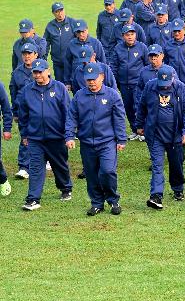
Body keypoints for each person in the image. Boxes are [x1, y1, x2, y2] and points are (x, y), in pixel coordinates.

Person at [65, 62, 127, 216]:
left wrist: (121, 139)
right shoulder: (79, 95)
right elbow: (71, 117)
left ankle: (113, 200)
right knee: (91, 174)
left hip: (107, 143)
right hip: (87, 143)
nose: (91, 82)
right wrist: (69, 136)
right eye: (88, 79)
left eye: (94, 78)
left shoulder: (112, 95)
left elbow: (119, 119)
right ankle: (97, 203)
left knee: (107, 171)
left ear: (102, 77)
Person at [136, 65, 185, 209]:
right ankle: (156, 195)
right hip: (155, 134)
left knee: (176, 163)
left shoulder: (181, 89)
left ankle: (178, 189)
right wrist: (139, 125)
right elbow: (142, 106)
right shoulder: (150, 87)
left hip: (176, 135)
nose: (164, 87)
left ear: (173, 79)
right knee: (157, 165)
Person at [17, 59, 71, 210]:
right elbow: (23, 115)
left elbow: (68, 113)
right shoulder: (27, 91)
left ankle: (65, 188)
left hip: (57, 137)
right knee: (35, 168)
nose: (37, 74)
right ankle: (33, 199)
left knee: (59, 165)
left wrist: (68, 135)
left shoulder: (59, 88)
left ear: (48, 71)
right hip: (35, 139)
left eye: (40, 71)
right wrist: (24, 135)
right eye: (35, 72)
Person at [109, 25, 149, 141]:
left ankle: (143, 130)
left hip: (138, 83)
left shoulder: (142, 47)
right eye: (127, 35)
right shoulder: (118, 48)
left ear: (135, 35)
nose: (130, 37)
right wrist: (114, 83)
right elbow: (114, 66)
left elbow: (147, 65)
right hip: (123, 84)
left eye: (132, 34)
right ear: (123, 36)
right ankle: (134, 130)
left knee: (139, 107)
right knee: (128, 107)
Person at [10, 43, 39, 179]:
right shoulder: (16, 73)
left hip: (39, 110)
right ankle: (23, 167)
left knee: (43, 135)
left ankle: (46, 159)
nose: (27, 56)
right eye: (24, 54)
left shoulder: (41, 70)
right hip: (23, 111)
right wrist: (15, 111)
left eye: (29, 53)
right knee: (25, 137)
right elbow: (13, 92)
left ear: (36, 55)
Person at [43, 2, 76, 80]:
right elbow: (46, 43)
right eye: (57, 12)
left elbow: (79, 40)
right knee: (59, 86)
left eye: (61, 10)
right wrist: (44, 58)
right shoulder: (50, 26)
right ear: (53, 13)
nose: (59, 14)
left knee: (74, 85)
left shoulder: (72, 23)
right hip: (57, 63)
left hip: (71, 61)